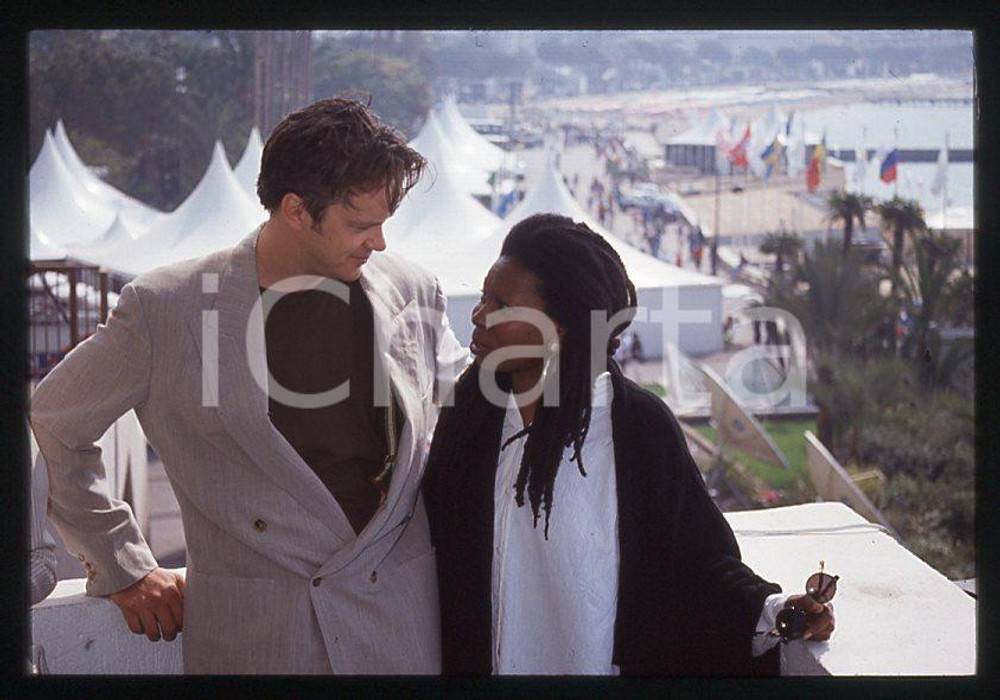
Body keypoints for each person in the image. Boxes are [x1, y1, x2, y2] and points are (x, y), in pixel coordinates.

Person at [30, 97, 468, 674]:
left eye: (385, 223)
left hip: (398, 626)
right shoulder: (168, 308)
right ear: (296, 210)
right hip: (258, 637)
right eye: (361, 224)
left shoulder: (412, 288)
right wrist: (120, 561)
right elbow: (58, 420)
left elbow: (473, 406)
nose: (380, 242)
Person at [422, 214, 833, 675]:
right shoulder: (472, 409)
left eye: (500, 305)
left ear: (560, 326)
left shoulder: (637, 429)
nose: (478, 316)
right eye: (483, 297)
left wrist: (777, 610)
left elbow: (696, 562)